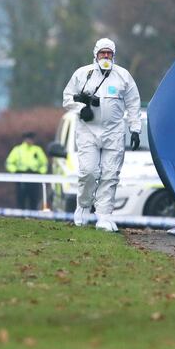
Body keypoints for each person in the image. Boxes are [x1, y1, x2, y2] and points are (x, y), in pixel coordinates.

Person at [62, 37, 141, 232]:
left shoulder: (123, 76)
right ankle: (83, 206)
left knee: (110, 174)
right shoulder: (82, 74)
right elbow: (67, 97)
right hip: (88, 131)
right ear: (95, 55)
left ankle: (104, 216)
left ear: (113, 55)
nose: (105, 56)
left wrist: (135, 129)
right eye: (102, 53)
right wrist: (81, 108)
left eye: (109, 53)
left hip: (114, 131)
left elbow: (133, 103)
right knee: (88, 172)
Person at [5, 131, 48, 209]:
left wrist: (41, 172)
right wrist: (15, 171)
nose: (29, 141)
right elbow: (9, 163)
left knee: (34, 199)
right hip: (21, 176)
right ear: (24, 139)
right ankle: (21, 217)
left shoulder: (37, 150)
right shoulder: (17, 150)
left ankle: (33, 217)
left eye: (31, 139)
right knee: (21, 198)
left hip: (34, 176)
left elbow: (44, 163)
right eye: (28, 139)